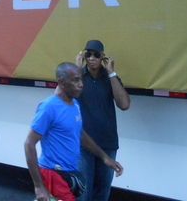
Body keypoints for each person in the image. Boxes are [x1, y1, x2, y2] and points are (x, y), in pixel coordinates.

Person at [24, 62, 123, 201]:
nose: (81, 84)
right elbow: (28, 144)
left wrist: (105, 157)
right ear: (61, 82)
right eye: (75, 80)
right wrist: (39, 186)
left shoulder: (74, 104)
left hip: (70, 172)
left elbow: (80, 133)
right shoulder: (49, 107)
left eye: (81, 79)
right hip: (52, 174)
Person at [75, 40, 131, 201]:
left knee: (102, 193)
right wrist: (76, 69)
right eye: (88, 54)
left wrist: (111, 72)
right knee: (82, 193)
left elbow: (124, 105)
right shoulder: (78, 76)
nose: (92, 58)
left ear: (103, 58)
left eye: (96, 55)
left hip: (107, 144)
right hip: (82, 144)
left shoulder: (110, 78)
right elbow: (63, 99)